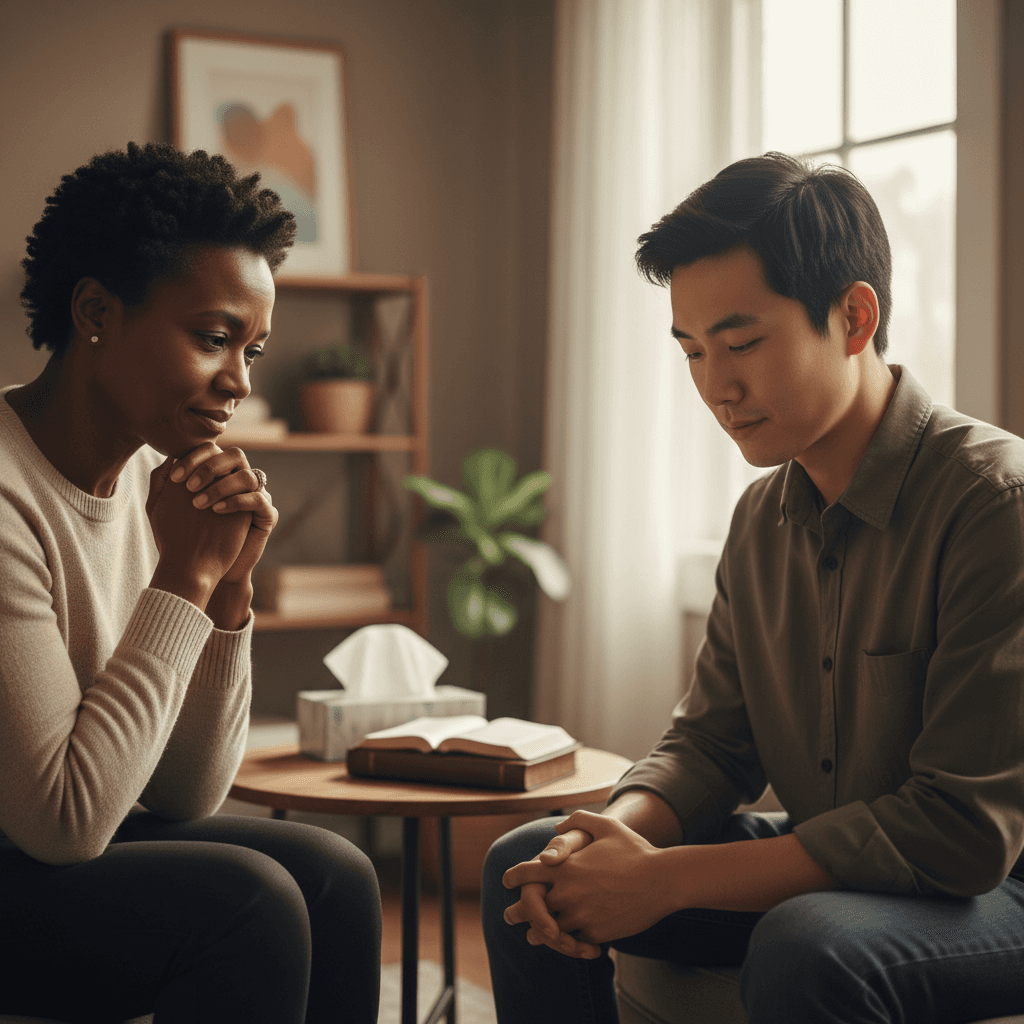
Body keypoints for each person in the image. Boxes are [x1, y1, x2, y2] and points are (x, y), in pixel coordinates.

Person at [481, 152, 1024, 1023]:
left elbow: (961, 832)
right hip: (844, 869)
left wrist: (666, 880)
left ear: (854, 318)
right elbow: (712, 746)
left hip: (998, 886)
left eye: (741, 345)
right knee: (532, 865)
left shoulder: (995, 502)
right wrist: (609, 839)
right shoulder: (761, 519)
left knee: (807, 944)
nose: (716, 387)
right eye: (693, 351)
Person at [0, 142, 381, 1024]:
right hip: (32, 842)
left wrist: (229, 592)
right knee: (251, 903)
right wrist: (183, 578)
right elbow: (63, 820)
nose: (239, 382)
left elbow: (184, 793)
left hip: (51, 845)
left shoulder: (155, 484)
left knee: (336, 874)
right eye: (214, 339)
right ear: (95, 311)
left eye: (253, 349)